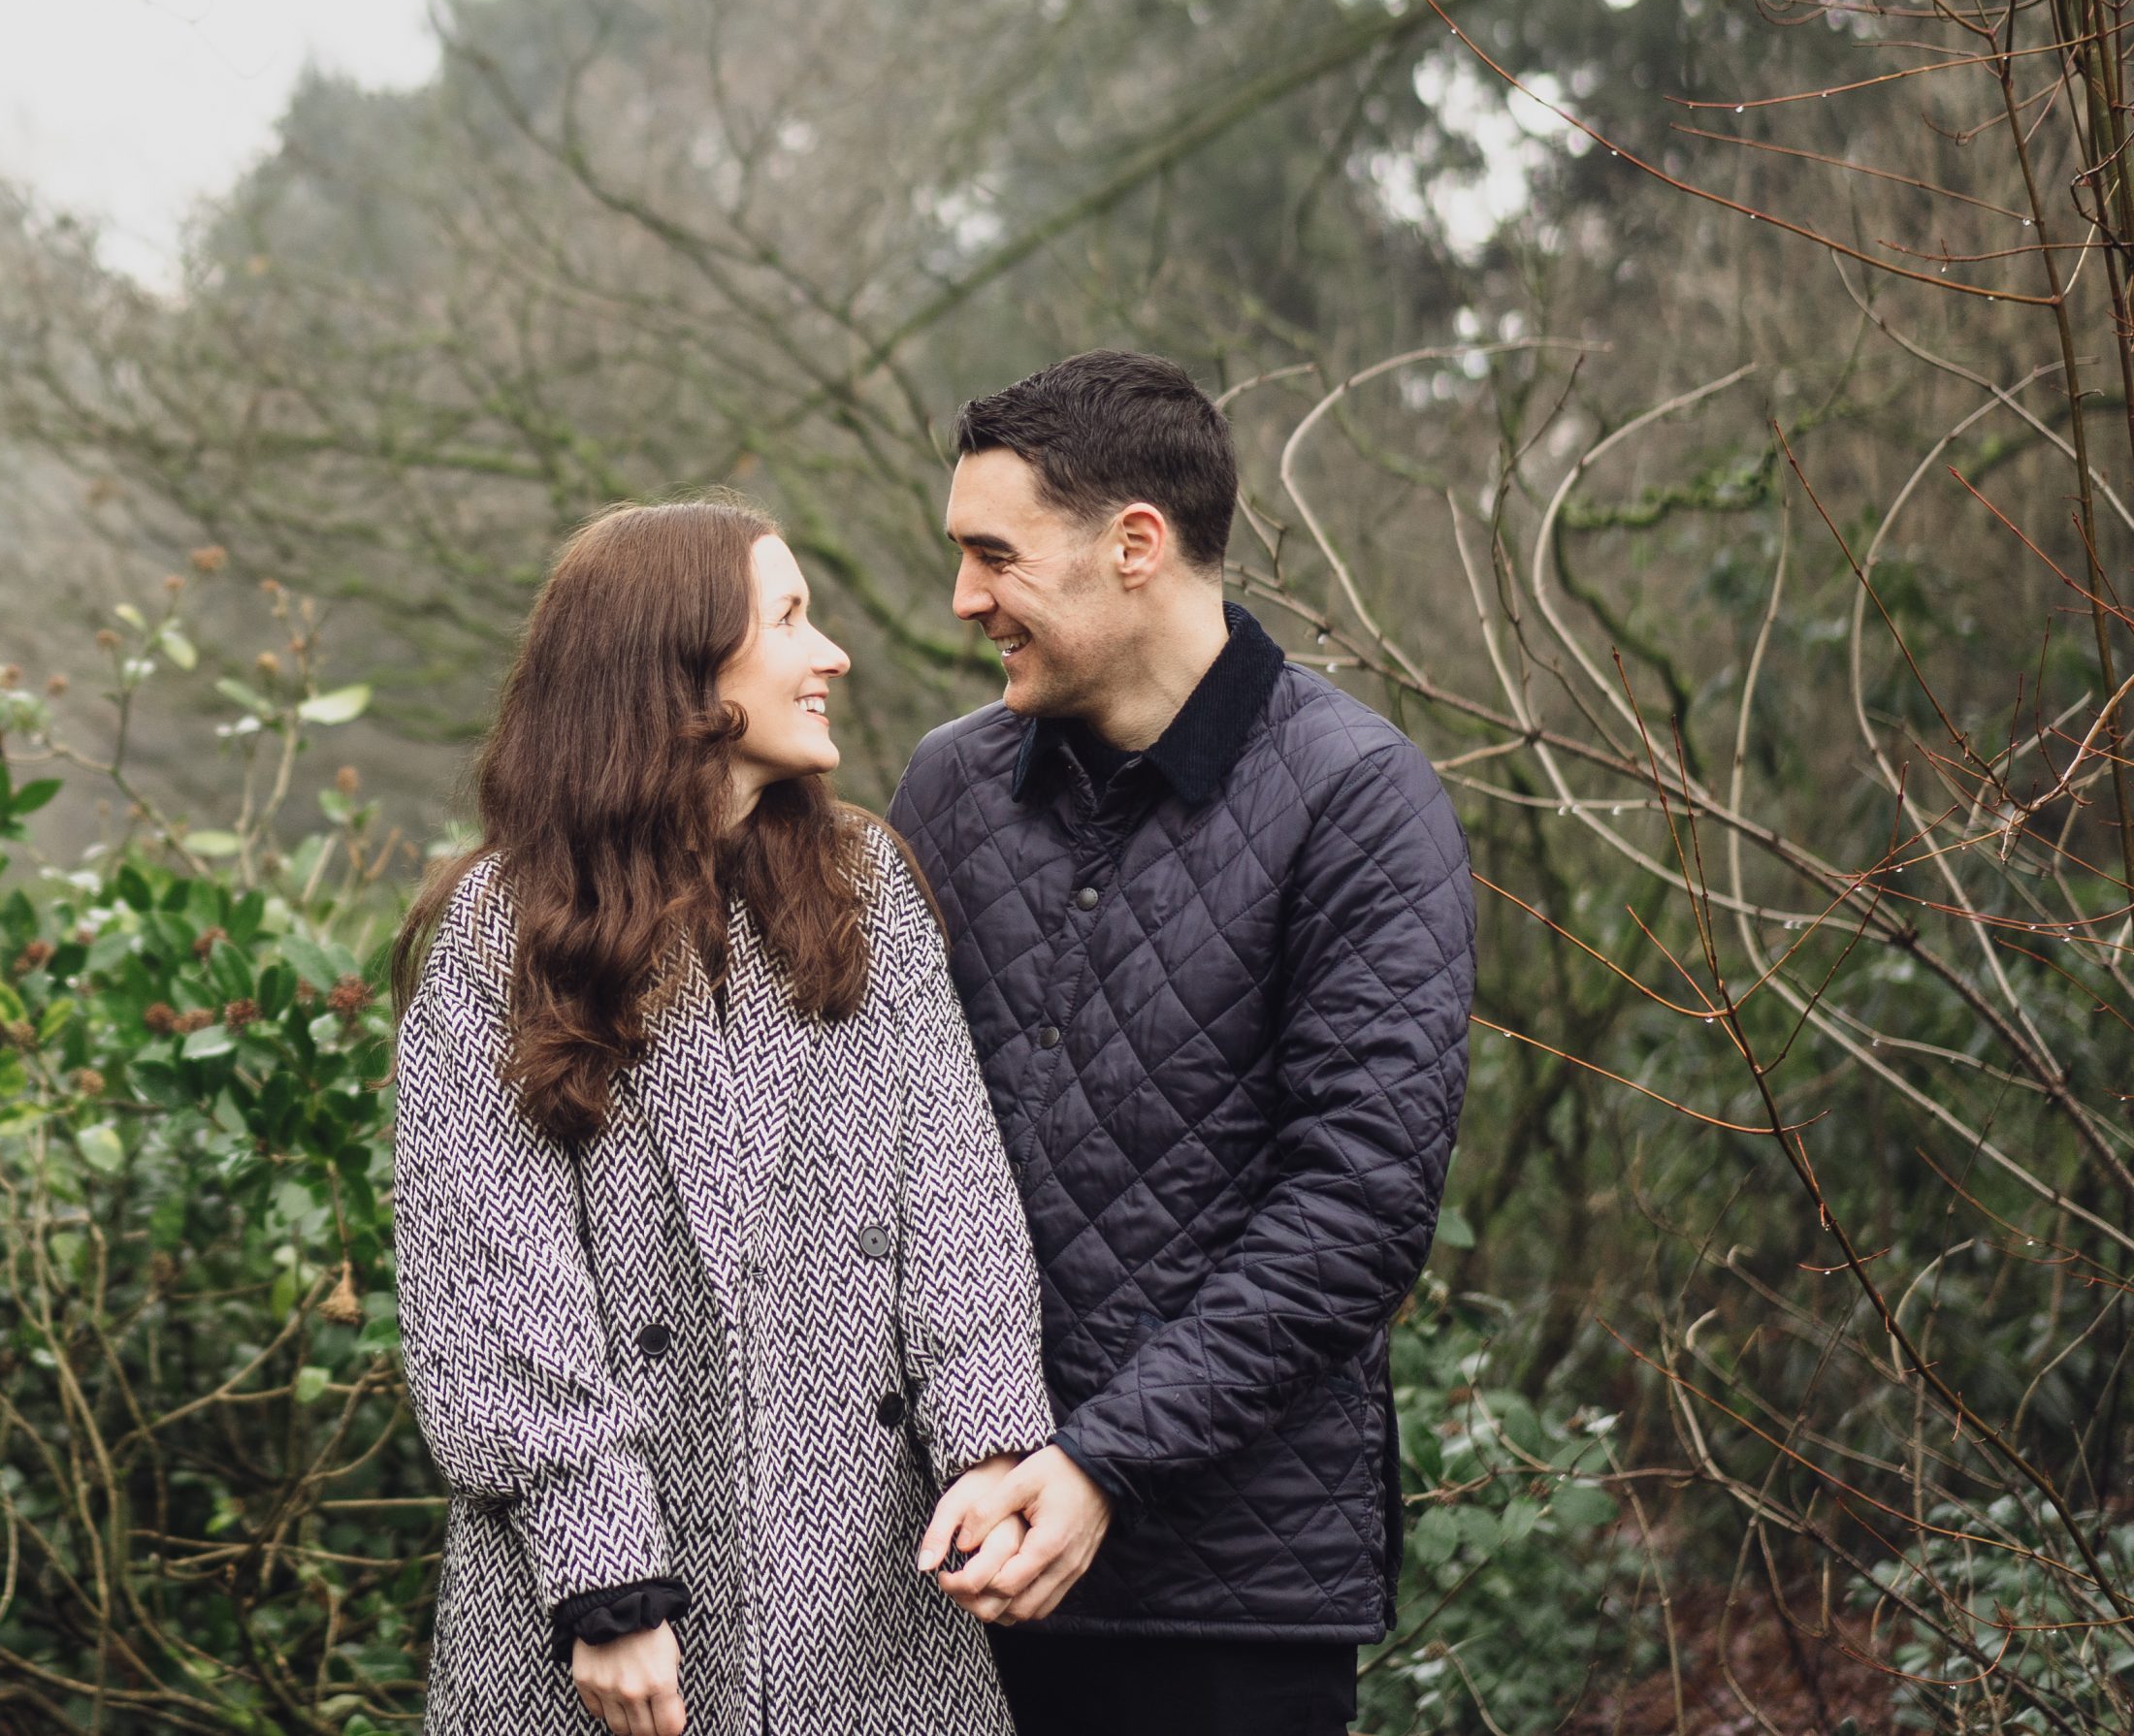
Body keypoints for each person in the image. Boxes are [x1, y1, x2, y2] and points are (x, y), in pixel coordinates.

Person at [392, 499, 1062, 1736]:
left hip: (870, 1594)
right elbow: (489, 1278)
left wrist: (988, 1446)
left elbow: (955, 1192)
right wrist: (602, 1577)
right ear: (677, 670)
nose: (833, 655)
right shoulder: (506, 929)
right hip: (595, 1614)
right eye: (791, 619)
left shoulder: (859, 889)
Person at [892, 352, 1477, 1736]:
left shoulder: (1359, 798)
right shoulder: (948, 783)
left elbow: (1358, 1207)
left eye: (994, 554)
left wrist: (1101, 1460)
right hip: (948, 1576)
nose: (965, 597)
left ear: (1135, 544)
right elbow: (880, 1150)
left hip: (1233, 1597)